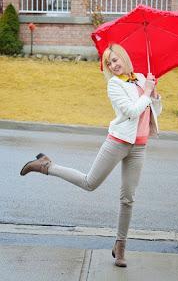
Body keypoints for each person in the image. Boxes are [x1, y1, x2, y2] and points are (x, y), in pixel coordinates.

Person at [20, 44, 162, 268]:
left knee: (128, 199)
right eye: (109, 63)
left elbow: (152, 112)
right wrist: (145, 94)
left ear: (124, 57)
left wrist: (153, 94)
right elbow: (132, 112)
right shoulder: (114, 85)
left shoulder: (141, 78)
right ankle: (46, 165)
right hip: (118, 142)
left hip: (140, 146)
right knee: (89, 182)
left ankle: (120, 246)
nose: (114, 65)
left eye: (116, 60)